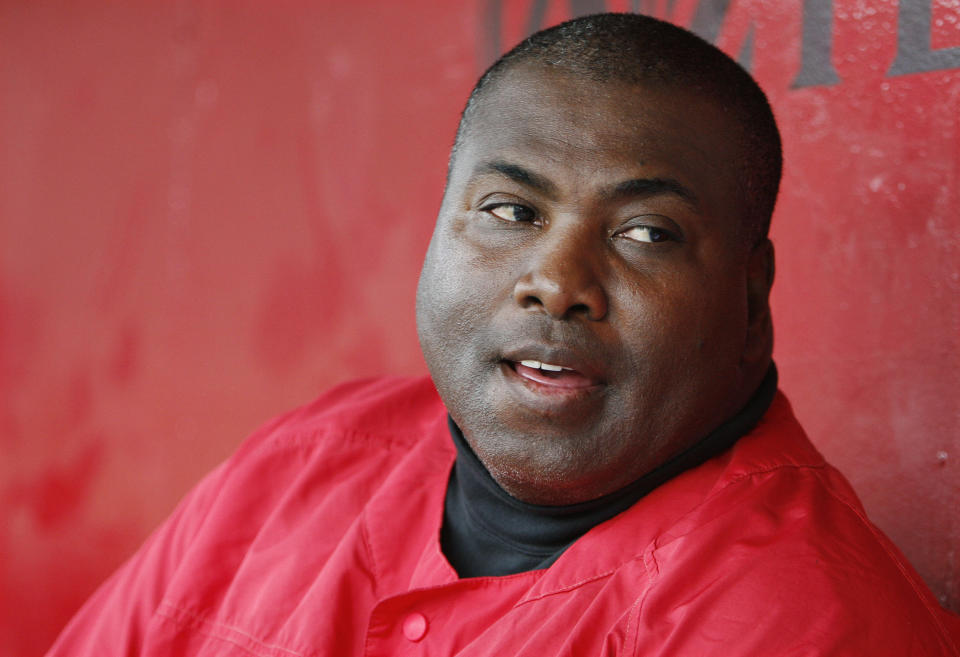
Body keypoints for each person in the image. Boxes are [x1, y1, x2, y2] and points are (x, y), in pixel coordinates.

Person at [48, 13, 960, 656]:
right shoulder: (304, 463)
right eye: (511, 209)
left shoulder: (802, 621)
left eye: (646, 233)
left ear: (751, 302)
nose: (558, 283)